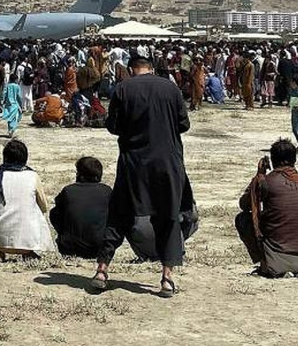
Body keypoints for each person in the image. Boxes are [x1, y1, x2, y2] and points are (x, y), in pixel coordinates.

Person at [92, 57, 193, 298]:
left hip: (134, 162)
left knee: (119, 214)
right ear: (152, 69)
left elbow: (113, 126)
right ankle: (167, 277)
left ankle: (102, 270)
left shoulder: (123, 88)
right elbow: (184, 124)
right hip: (167, 162)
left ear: (131, 70)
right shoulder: (170, 88)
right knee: (168, 216)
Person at [235, 139, 298, 278]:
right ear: (294, 160)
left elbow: (244, 205)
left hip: (279, 248)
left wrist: (258, 177)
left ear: (273, 160)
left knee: (242, 219)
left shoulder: (266, 181)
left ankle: (266, 262)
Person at [0, 140, 55, 261]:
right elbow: (44, 207)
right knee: (36, 211)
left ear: (5, 157)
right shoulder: (32, 176)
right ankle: (29, 253)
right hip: (28, 242)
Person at [50, 157, 112, 259]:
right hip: (100, 248)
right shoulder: (107, 191)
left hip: (69, 248)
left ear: (81, 175)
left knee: (55, 212)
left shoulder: (68, 191)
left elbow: (55, 215)